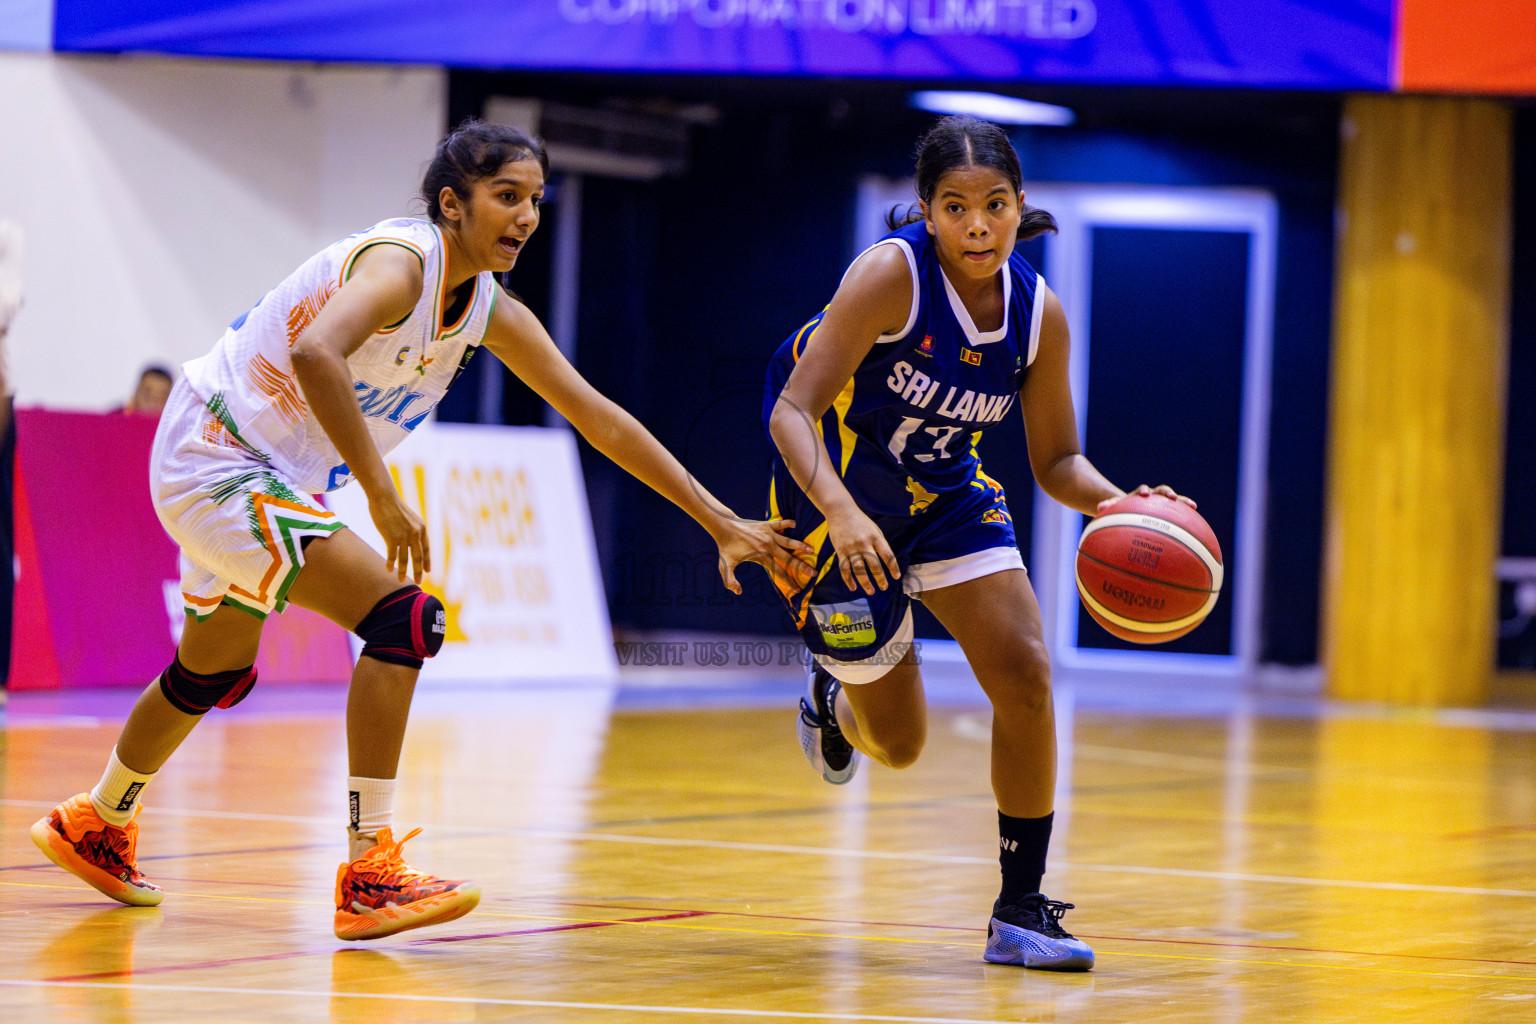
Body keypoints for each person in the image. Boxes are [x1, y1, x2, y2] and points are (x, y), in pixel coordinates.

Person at [30, 120, 810, 940]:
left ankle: (98, 819)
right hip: (216, 452)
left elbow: (599, 419)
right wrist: (382, 491)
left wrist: (720, 522)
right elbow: (319, 355)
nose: (526, 217)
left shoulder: (488, 311)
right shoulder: (401, 266)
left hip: (263, 470)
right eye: (507, 196)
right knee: (403, 619)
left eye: (537, 201)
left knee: (211, 669)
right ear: (452, 203)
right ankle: (369, 872)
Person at [763, 115, 1194, 971]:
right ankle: (832, 697)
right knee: (903, 744)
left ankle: (1020, 908)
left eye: (995, 205)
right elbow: (792, 410)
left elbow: (1058, 461)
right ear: (927, 211)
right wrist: (842, 514)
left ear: (1019, 204)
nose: (978, 225)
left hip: (947, 496)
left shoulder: (1039, 317)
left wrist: (1124, 506)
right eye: (956, 207)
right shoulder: (890, 279)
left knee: (1028, 674)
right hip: (835, 500)